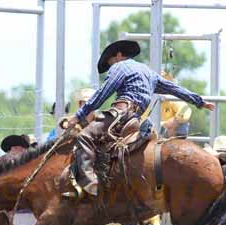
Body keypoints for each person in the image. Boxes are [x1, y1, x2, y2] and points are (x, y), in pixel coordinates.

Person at [66, 40, 216, 197]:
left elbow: (102, 94)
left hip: (121, 113)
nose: (111, 67)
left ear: (118, 55)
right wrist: (199, 101)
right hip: (135, 119)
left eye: (110, 63)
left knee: (85, 135)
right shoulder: (148, 72)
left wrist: (78, 116)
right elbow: (174, 89)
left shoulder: (120, 67)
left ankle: (90, 185)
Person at [160, 71, 192, 137]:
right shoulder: (148, 99)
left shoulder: (171, 98)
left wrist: (175, 121)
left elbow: (185, 109)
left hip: (169, 132)